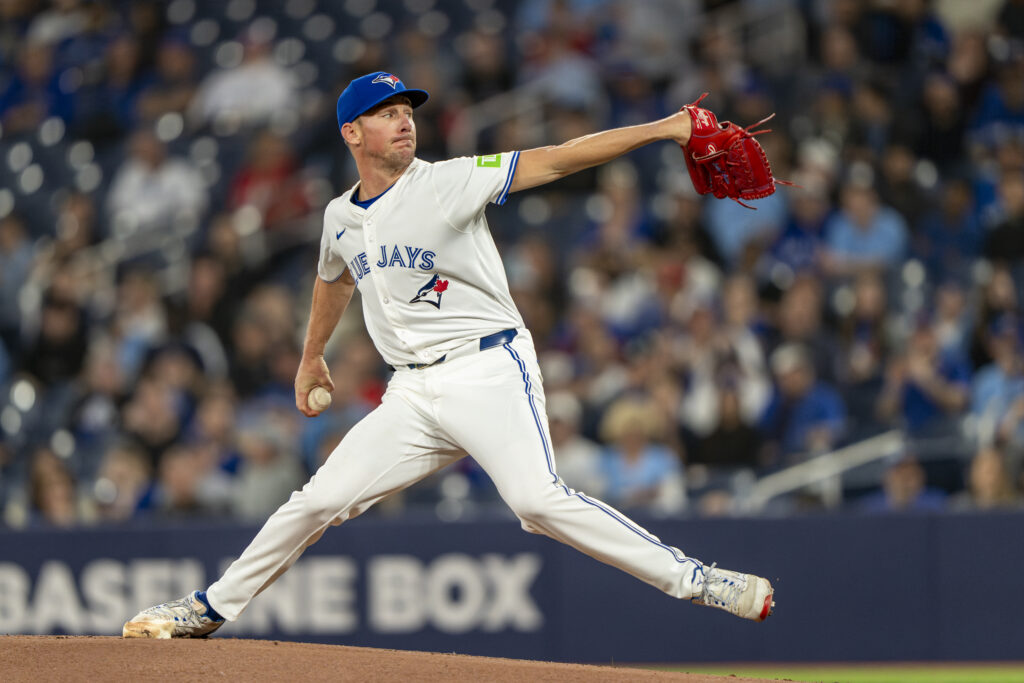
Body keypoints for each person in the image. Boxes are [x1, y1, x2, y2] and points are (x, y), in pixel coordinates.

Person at [122, 71, 775, 639]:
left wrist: (666, 127)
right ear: (352, 132)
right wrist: (311, 355)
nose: (405, 121)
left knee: (537, 502)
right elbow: (334, 276)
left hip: (487, 366)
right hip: (411, 392)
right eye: (388, 113)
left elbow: (558, 157)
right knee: (316, 502)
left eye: (409, 110)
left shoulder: (449, 182)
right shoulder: (339, 217)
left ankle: (697, 579)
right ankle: (210, 607)